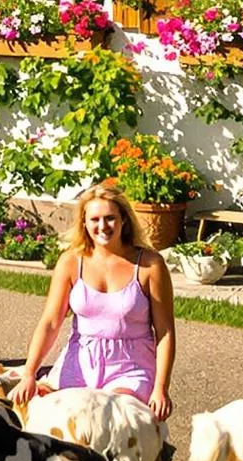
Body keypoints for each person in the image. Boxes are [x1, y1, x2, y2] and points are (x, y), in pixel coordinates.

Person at [14, 179, 176, 421]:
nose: (103, 226)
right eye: (95, 219)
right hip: (80, 361)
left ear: (123, 219)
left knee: (113, 416)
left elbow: (165, 332)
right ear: (84, 223)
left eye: (110, 218)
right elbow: (50, 322)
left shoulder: (150, 265)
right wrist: (29, 372)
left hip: (130, 366)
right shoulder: (70, 261)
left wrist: (161, 389)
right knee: (54, 420)